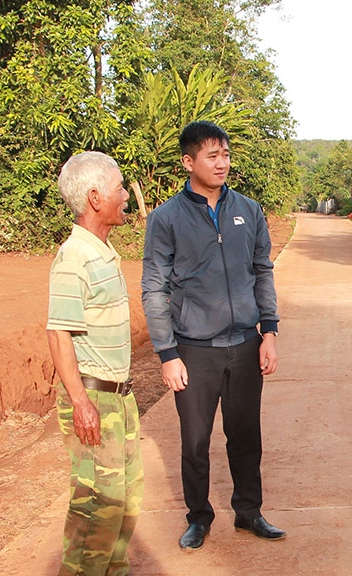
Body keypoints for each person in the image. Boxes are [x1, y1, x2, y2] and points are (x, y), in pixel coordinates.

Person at [142, 120, 285, 551]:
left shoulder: (250, 210)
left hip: (244, 345)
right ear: (189, 162)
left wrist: (269, 331)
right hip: (194, 349)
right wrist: (168, 353)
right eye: (212, 156)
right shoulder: (166, 219)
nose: (222, 163)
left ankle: (249, 512)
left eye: (225, 154)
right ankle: (198, 518)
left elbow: (262, 272)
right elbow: (154, 288)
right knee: (195, 441)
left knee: (245, 435)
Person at [48, 151, 161, 576]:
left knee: (126, 492)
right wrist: (81, 403)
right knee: (95, 496)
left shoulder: (103, 251)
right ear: (94, 197)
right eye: (118, 189)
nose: (124, 199)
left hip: (118, 394)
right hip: (93, 396)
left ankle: (111, 572)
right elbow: (59, 335)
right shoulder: (74, 258)